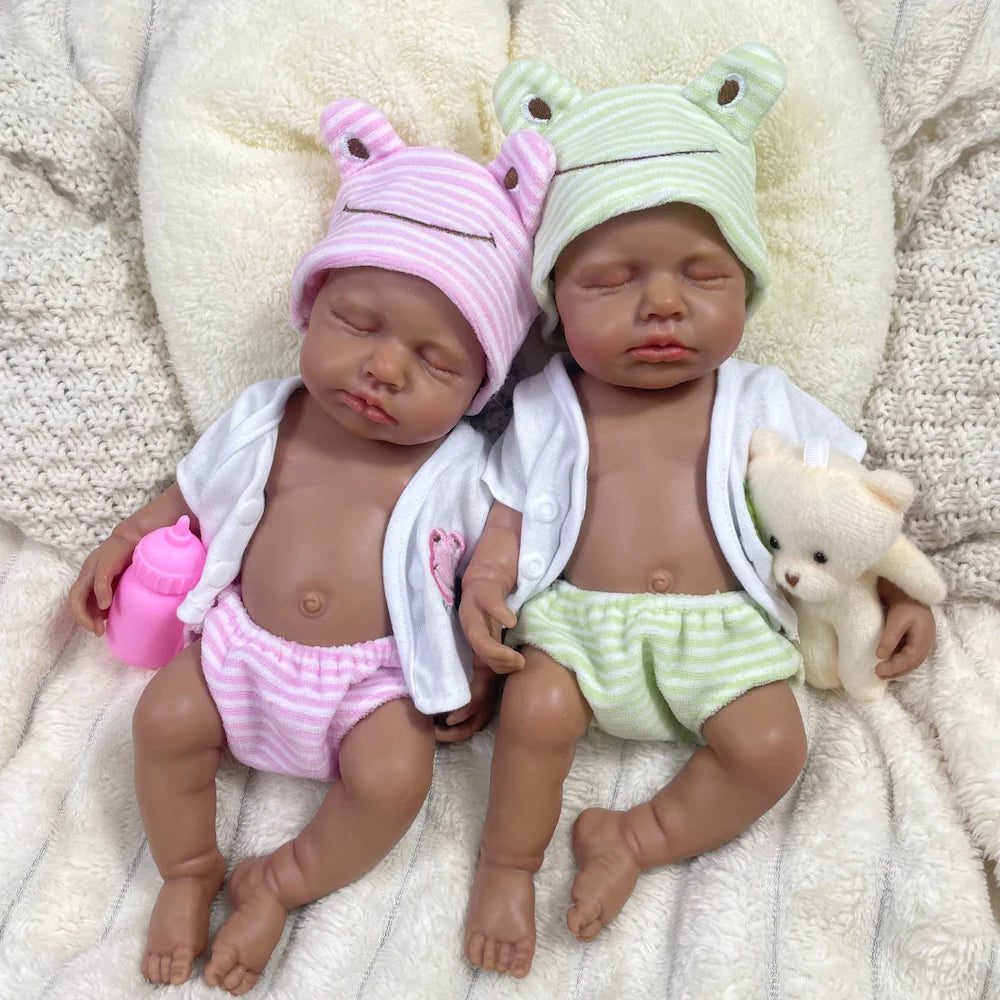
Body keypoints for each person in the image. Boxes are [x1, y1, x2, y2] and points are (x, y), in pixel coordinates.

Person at [458, 45, 938, 979]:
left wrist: (894, 588)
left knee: (773, 747)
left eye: (704, 276)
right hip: (579, 631)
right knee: (535, 713)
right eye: (613, 280)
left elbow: (844, 506)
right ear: (555, 298)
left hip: (725, 634)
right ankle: (507, 868)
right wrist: (485, 579)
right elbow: (507, 509)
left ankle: (634, 837)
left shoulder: (764, 399)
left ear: (746, 285)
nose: (663, 306)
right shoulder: (549, 403)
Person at [68, 98, 555, 995]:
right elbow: (193, 492)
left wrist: (478, 669)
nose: (384, 368)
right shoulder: (268, 417)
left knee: (395, 779)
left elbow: (488, 576)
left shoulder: (466, 465)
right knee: (164, 721)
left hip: (372, 684)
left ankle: (282, 884)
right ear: (310, 309)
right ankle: (187, 871)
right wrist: (127, 537)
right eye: (358, 324)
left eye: (434, 361)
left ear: (479, 387)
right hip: (238, 652)